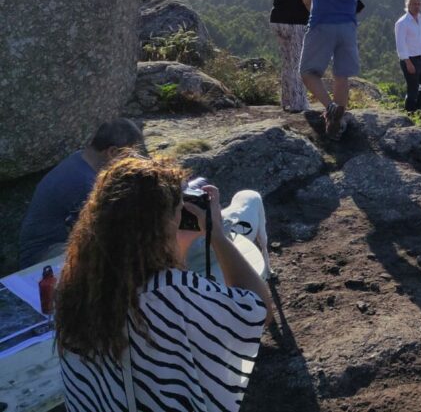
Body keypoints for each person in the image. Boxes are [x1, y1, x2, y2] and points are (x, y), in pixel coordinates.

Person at [54, 157, 271, 412]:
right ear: (160, 226)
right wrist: (218, 236)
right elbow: (257, 311)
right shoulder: (169, 292)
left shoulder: (74, 287)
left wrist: (177, 245)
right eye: (180, 211)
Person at [18, 118, 145, 268]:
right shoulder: (84, 182)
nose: (130, 165)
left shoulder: (81, 159)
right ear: (112, 152)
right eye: (129, 158)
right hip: (43, 256)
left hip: (57, 245)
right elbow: (108, 233)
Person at [300, 0, 366, 137]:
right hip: (348, 26)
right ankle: (336, 125)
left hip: (322, 23)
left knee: (308, 72)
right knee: (341, 75)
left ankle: (330, 108)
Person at [270, 0, 312, 112]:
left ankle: (286, 100)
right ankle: (298, 104)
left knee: (287, 62)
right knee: (297, 64)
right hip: (296, 22)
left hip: (277, 19)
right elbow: (306, 2)